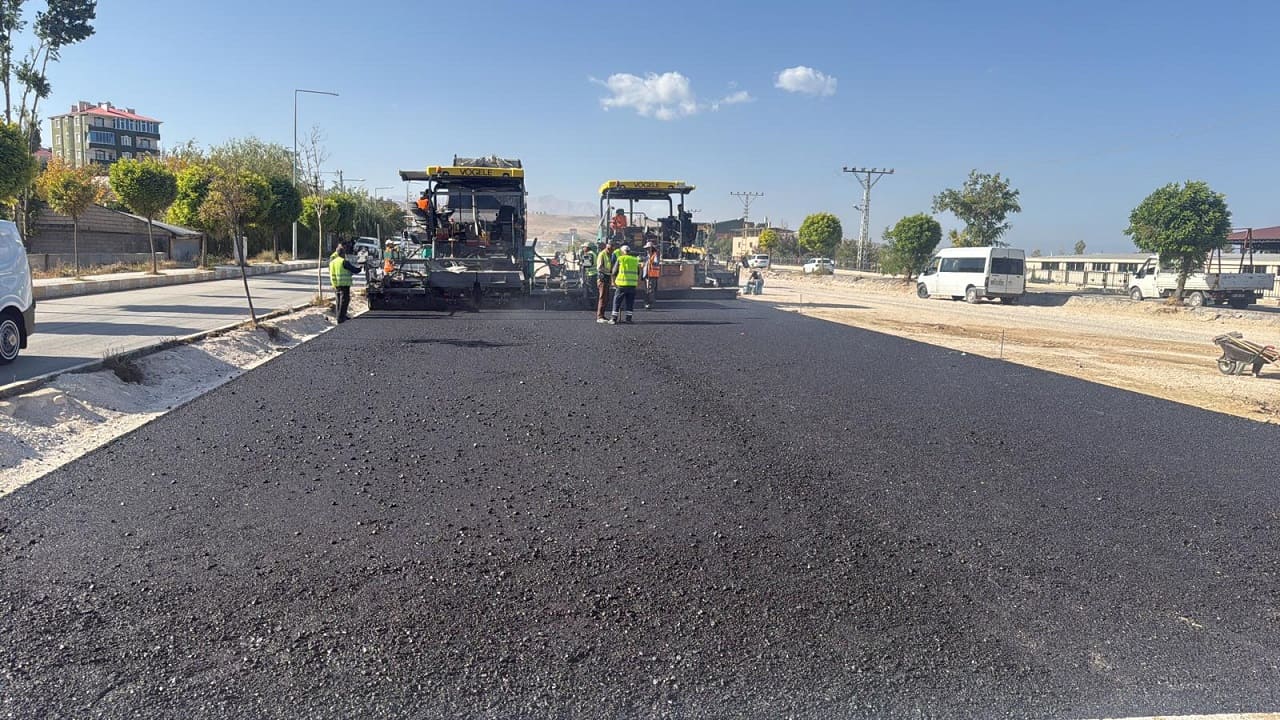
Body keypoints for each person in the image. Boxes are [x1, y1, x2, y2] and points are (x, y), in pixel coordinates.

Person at [329, 244, 362, 323]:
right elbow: (354, 269)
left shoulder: (332, 262)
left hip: (336, 284)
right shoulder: (343, 262)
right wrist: (360, 268)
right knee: (344, 301)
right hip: (344, 285)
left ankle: (339, 316)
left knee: (338, 302)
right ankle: (340, 318)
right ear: (343, 254)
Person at [610, 244, 639, 324]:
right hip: (632, 285)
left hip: (621, 284)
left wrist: (613, 282)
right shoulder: (635, 260)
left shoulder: (620, 259)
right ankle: (628, 319)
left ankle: (613, 318)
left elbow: (614, 272)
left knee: (617, 301)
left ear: (622, 252)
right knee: (630, 302)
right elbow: (638, 272)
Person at [595, 240, 615, 323]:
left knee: (606, 298)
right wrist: (609, 272)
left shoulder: (611, 255)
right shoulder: (602, 254)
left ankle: (602, 315)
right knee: (602, 297)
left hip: (607, 278)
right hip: (602, 278)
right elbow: (599, 267)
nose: (610, 250)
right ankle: (600, 316)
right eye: (609, 248)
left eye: (612, 248)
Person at [642, 241, 661, 309]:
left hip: (652, 275)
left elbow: (656, 263)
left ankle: (650, 303)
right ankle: (646, 302)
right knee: (647, 289)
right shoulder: (647, 256)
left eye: (648, 248)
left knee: (650, 290)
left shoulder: (654, 255)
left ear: (651, 248)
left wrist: (649, 261)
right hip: (647, 275)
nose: (647, 250)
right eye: (646, 249)